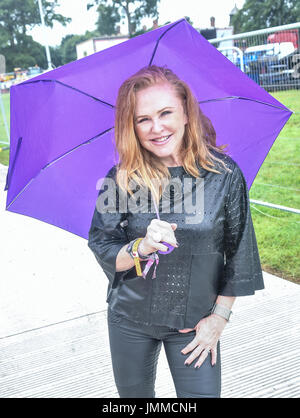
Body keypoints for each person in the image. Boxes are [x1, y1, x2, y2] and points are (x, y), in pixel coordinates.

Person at [88, 65, 264, 398]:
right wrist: (141, 246)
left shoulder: (223, 176)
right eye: (143, 119)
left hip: (194, 324)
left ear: (186, 112)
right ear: (133, 126)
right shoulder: (122, 178)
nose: (156, 128)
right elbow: (102, 245)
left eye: (165, 112)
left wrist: (218, 320)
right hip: (130, 321)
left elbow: (240, 254)